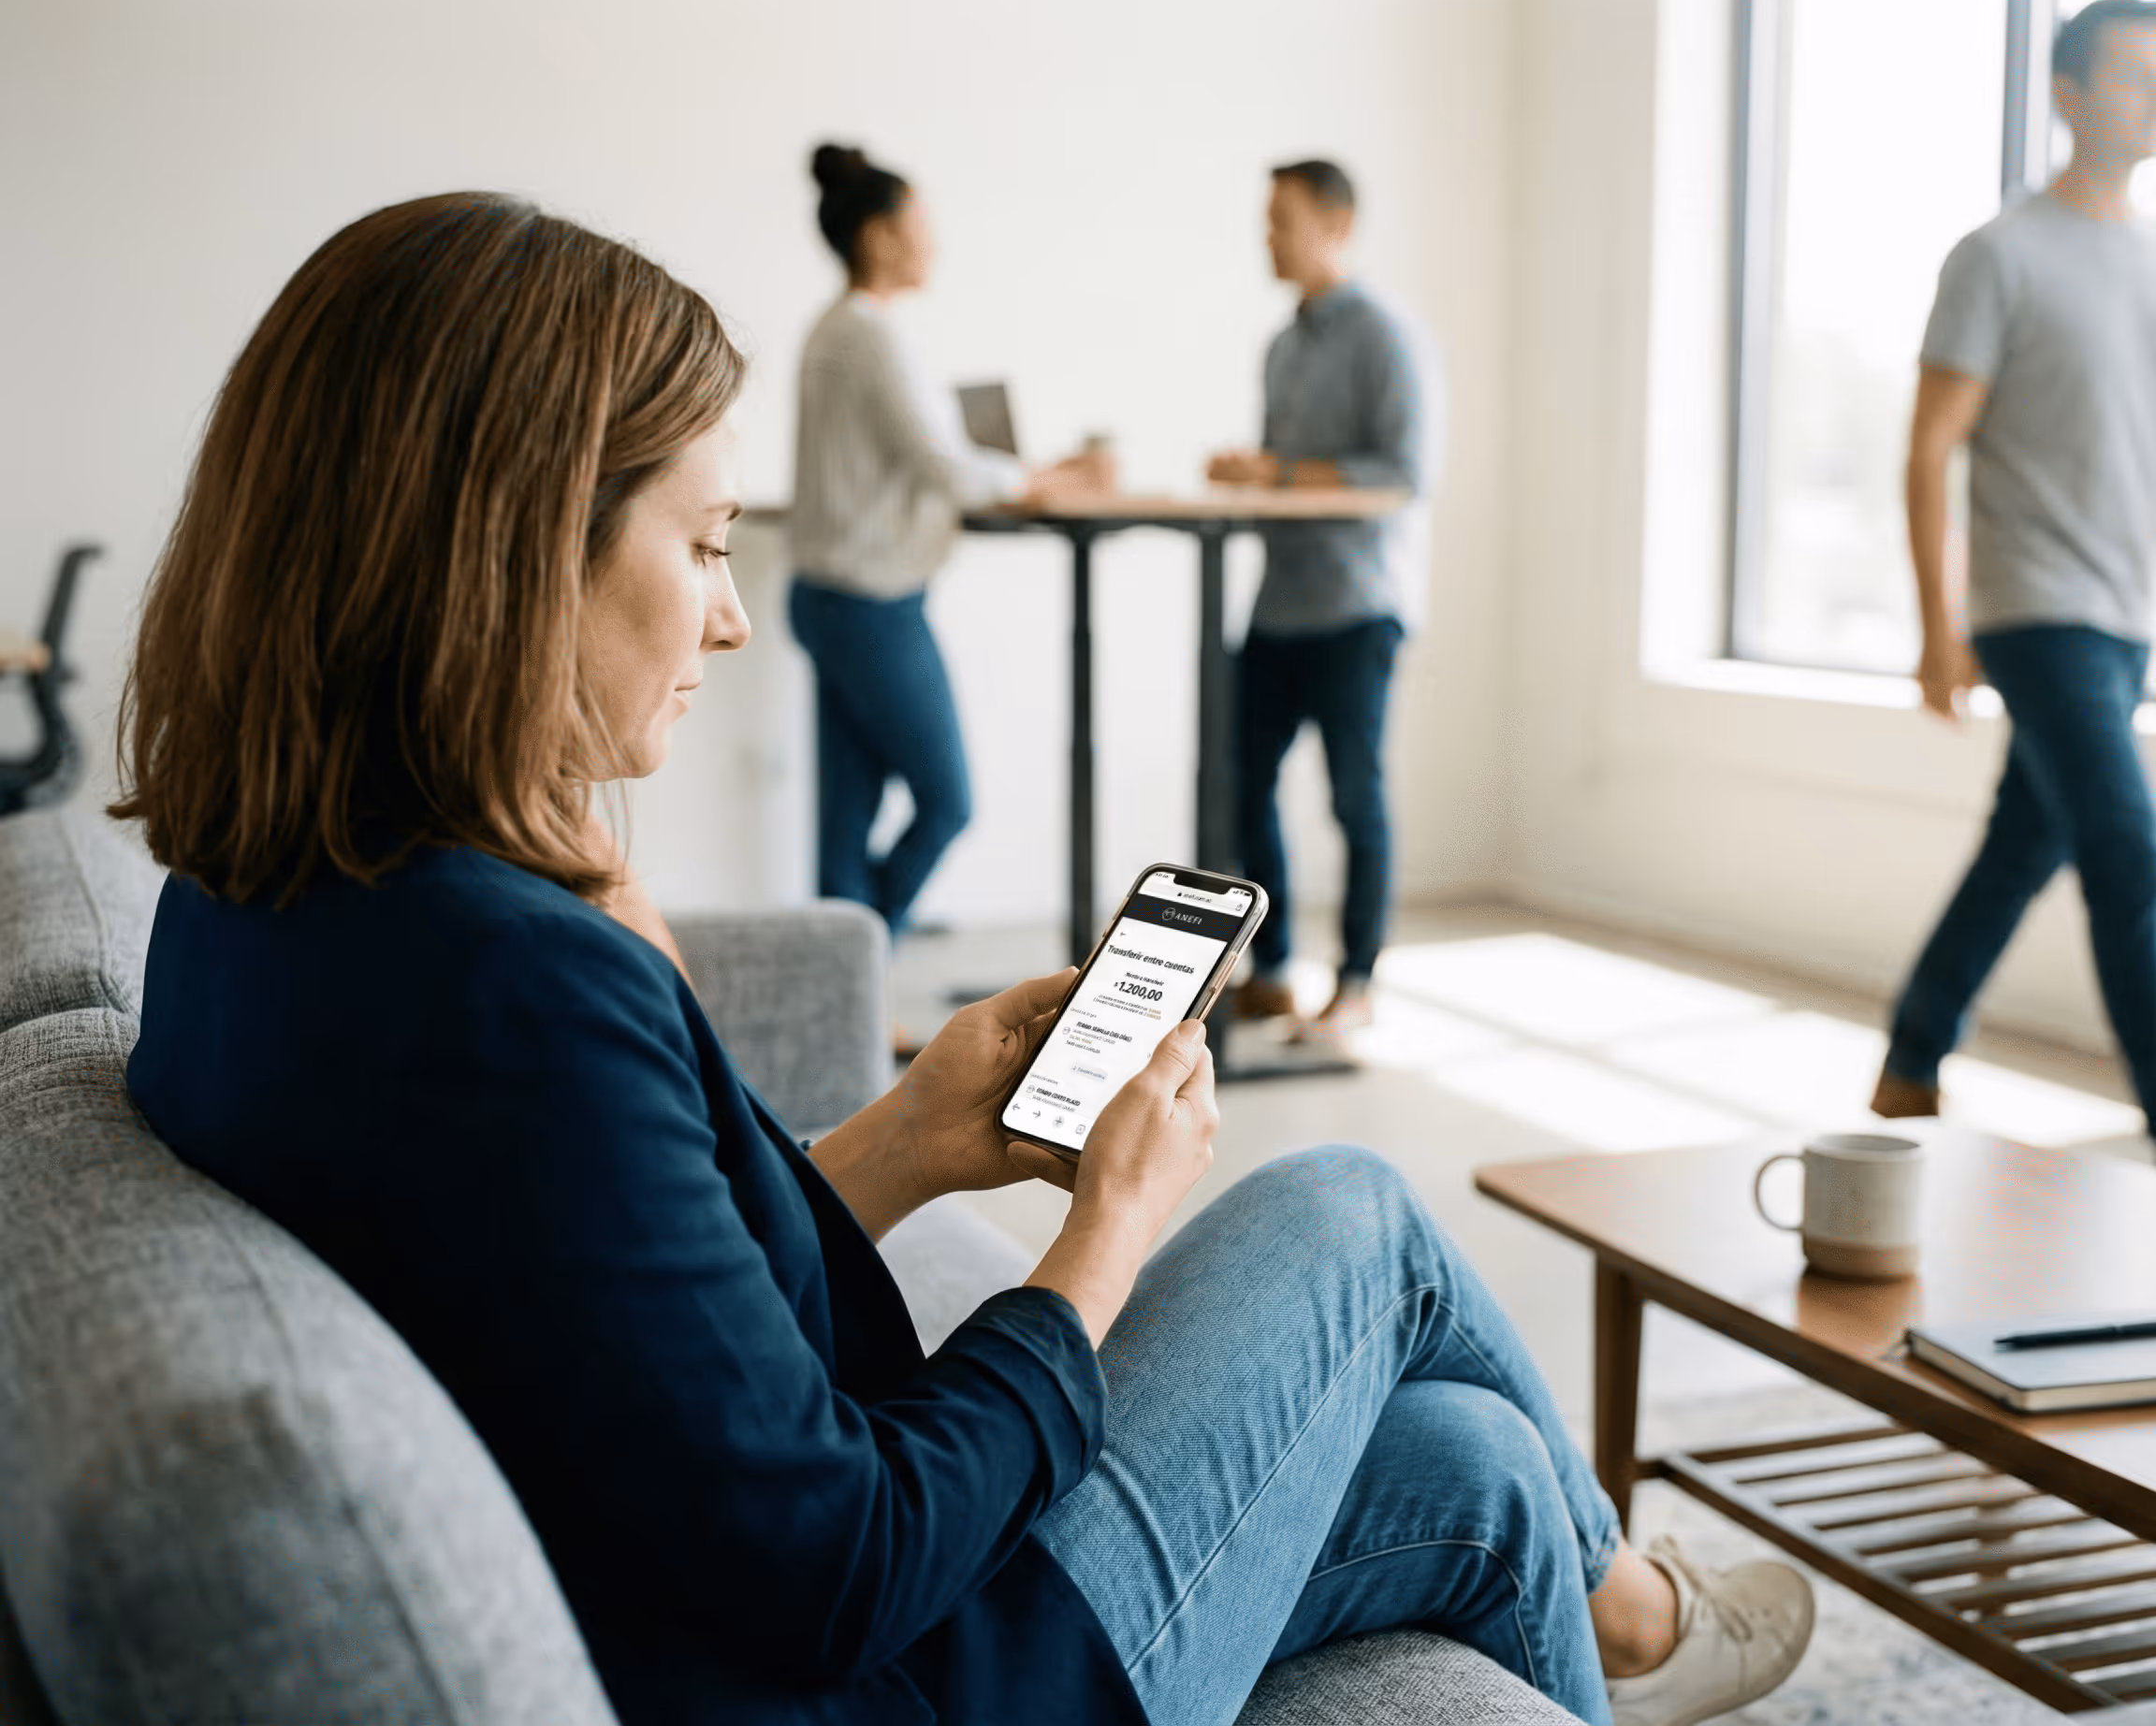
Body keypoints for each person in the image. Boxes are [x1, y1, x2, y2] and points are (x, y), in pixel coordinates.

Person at [115, 192, 1812, 1726]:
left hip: (783, 1622)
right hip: (932, 1678)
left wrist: (917, 1136)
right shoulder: (513, 989)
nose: (726, 614)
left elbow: (617, 1318)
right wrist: (1101, 1237)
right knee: (1352, 1208)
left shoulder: (256, 909)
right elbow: (836, 1557)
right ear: (516, 543)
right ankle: (1636, 1603)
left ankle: (1612, 1632)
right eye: (703, 546)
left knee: (1467, 1461)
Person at [1874, 0, 2156, 1135]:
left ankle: (1911, 1053)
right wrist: (1940, 626)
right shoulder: (1997, 255)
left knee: (2021, 847)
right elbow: (1929, 445)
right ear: (2068, 93)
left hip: (2125, 613)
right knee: (2130, 852)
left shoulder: (2143, 262)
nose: (2154, 96)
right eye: (2134, 75)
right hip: (2037, 611)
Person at [791, 143, 1107, 931]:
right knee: (947, 798)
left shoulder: (835, 329)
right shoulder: (869, 335)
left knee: (846, 815)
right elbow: (943, 464)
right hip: (870, 605)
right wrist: (1042, 480)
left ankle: (842, 1004)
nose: (932, 242)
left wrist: (1028, 472)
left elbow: (927, 457)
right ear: (879, 237)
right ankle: (865, 961)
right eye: (920, 224)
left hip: (831, 598)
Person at [1208, 159, 1438, 1044]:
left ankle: (1356, 984)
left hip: (1357, 606)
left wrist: (1282, 473)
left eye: (1283, 220)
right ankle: (1270, 971)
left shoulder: (1386, 336)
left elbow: (1408, 472)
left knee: (1355, 796)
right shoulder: (1283, 343)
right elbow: (1285, 471)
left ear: (1336, 226)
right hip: (1279, 604)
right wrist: (1253, 473)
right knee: (1239, 782)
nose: (1268, 236)